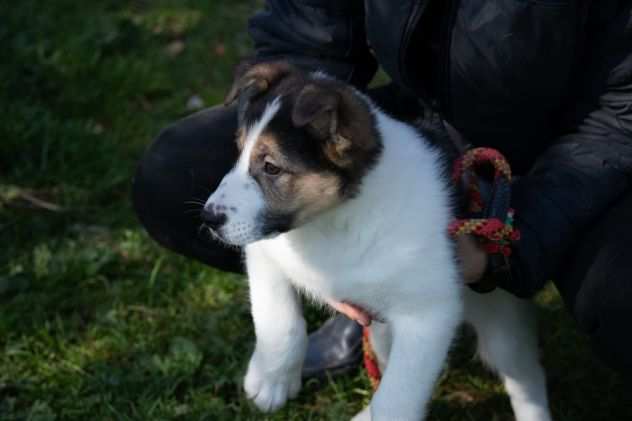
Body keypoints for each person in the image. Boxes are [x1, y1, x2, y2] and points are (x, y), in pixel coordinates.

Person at [132, 0, 632, 380]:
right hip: (440, 124)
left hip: (592, 153)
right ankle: (365, 299)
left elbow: (621, 114)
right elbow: (306, 35)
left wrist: (501, 244)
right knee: (177, 176)